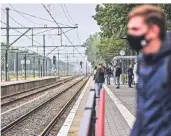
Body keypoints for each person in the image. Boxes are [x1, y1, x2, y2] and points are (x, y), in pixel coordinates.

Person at [127, 5, 171, 136]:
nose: (130, 34)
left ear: (154, 31)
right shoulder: (143, 61)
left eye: (135, 29)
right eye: (129, 30)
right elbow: (142, 112)